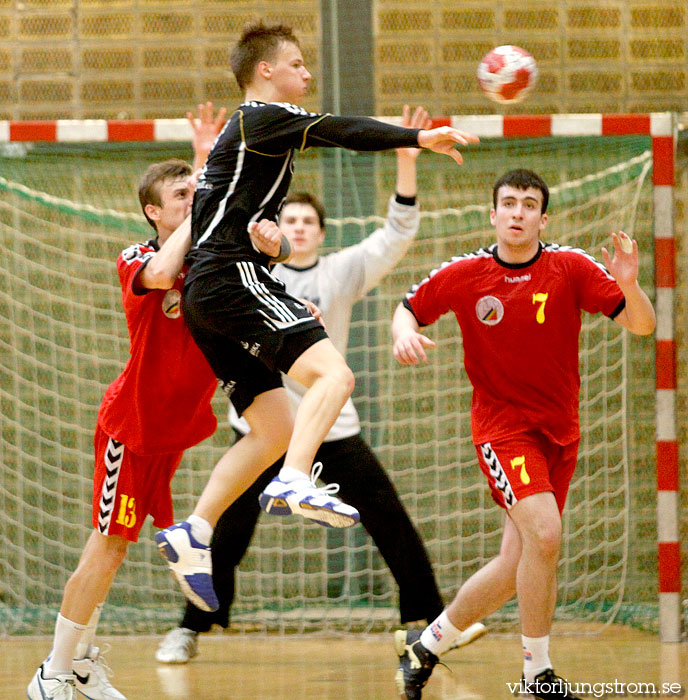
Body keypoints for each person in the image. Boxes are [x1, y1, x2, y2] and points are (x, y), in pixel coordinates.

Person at [154, 20, 479, 614]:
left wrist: (268, 249)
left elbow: (219, 214)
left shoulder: (249, 137)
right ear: (266, 72)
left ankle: (196, 529)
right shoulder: (259, 116)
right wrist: (416, 137)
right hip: (227, 280)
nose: (307, 74)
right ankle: (295, 480)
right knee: (335, 377)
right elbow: (340, 129)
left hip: (211, 293)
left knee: (272, 428)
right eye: (298, 64)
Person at [391, 168, 655, 700]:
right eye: (508, 203)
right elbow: (409, 308)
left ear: (542, 217)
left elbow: (644, 324)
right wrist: (403, 335)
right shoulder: (466, 273)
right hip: (502, 429)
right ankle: (538, 674)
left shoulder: (570, 267)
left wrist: (627, 282)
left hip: (560, 431)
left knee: (518, 564)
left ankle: (426, 647)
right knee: (548, 534)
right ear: (492, 214)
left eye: (528, 204)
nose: (517, 212)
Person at [26, 104, 231, 700]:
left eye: (196, 193)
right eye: (180, 196)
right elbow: (167, 269)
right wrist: (201, 201)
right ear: (153, 212)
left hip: (173, 430)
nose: (194, 200)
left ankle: (83, 667)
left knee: (128, 548)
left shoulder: (210, 263)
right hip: (131, 427)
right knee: (108, 545)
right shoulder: (138, 259)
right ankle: (55, 673)